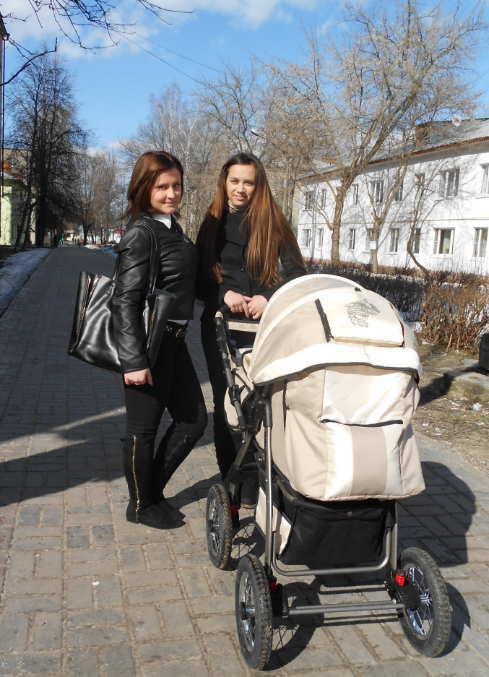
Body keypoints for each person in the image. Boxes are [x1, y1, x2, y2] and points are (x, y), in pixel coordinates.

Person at [196, 152, 307, 487]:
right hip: (221, 327)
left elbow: (298, 275)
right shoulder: (212, 222)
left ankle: (268, 475)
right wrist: (223, 294)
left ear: (259, 185)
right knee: (227, 402)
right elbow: (197, 278)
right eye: (234, 181)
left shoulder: (274, 222)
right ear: (224, 182)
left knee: (267, 402)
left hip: (266, 329)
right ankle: (233, 479)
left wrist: (269, 297)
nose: (240, 189)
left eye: (248, 182)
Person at [112, 151, 208, 530]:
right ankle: (140, 505)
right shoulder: (142, 233)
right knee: (143, 430)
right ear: (144, 188)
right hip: (149, 346)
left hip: (174, 341)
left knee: (193, 422)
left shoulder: (172, 228)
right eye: (162, 186)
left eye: (177, 186)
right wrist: (134, 360)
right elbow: (125, 299)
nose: (171, 194)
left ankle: (150, 493)